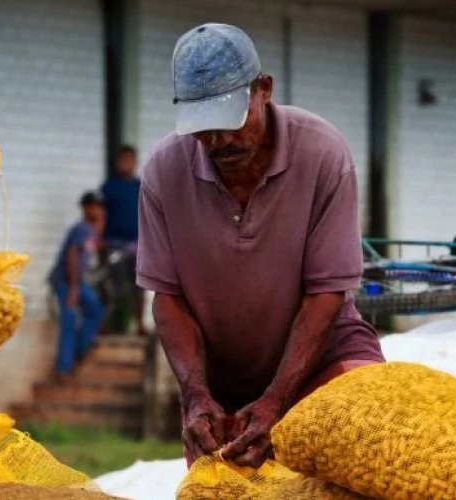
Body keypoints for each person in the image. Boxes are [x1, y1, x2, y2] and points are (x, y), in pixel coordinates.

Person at [136, 23, 385, 469]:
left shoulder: (323, 153)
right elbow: (168, 300)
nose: (219, 142)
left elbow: (325, 296)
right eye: (203, 127)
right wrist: (196, 395)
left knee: (372, 445)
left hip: (324, 359)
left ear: (264, 90)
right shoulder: (163, 172)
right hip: (220, 384)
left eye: (231, 121)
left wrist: (276, 401)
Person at [48, 191, 107, 384]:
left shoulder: (91, 229)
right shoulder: (82, 229)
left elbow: (93, 247)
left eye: (99, 207)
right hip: (66, 281)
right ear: (85, 209)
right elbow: (73, 256)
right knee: (70, 318)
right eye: (93, 207)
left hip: (77, 281)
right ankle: (62, 368)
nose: (97, 210)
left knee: (95, 310)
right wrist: (73, 289)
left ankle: (79, 350)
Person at [100, 145, 147, 335]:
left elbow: (149, 215)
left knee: (139, 286)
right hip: (113, 244)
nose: (125, 163)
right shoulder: (108, 188)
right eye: (122, 160)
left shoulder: (141, 187)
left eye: (129, 160)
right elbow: (100, 216)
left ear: (135, 162)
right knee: (111, 286)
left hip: (137, 246)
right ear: (117, 162)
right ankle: (108, 323)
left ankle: (139, 324)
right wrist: (99, 241)